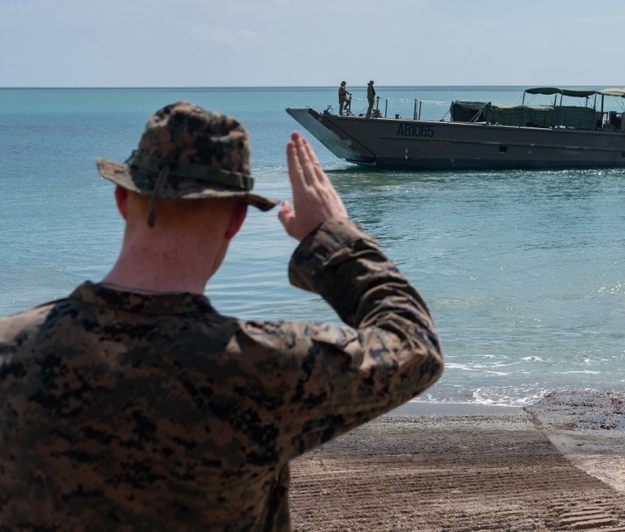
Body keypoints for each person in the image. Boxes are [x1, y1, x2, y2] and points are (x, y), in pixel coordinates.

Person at [0, 102, 443, 531]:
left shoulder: (10, 349)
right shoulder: (267, 368)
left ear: (121, 198)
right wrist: (336, 242)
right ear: (236, 220)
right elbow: (414, 345)